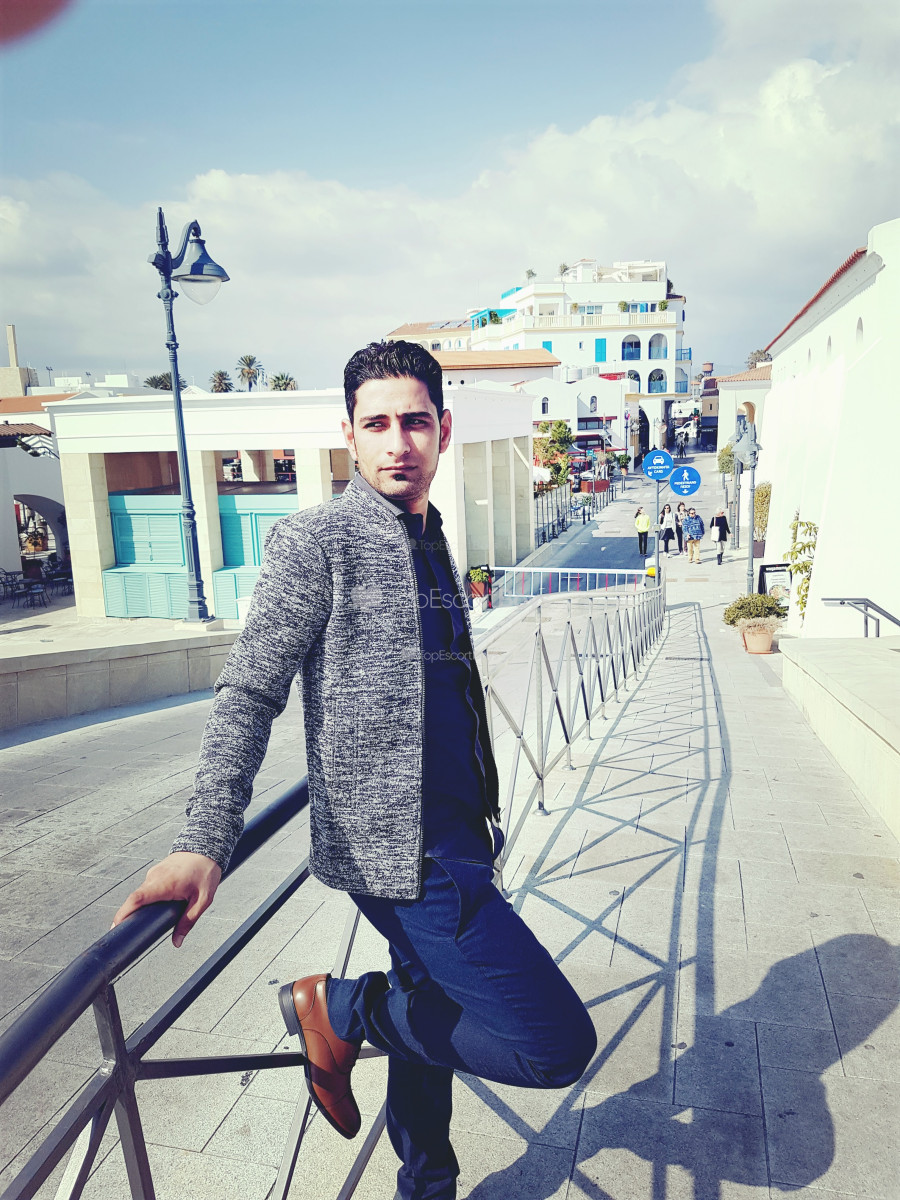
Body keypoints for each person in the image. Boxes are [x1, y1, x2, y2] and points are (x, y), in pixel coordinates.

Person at [112, 340, 596, 1200]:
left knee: (431, 1012)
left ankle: (425, 1183)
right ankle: (339, 1010)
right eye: (376, 424)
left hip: (463, 835)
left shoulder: (431, 534)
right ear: (350, 435)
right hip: (404, 859)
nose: (397, 443)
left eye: (415, 422)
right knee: (552, 1044)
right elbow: (249, 689)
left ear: (444, 429)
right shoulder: (317, 541)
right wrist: (205, 840)